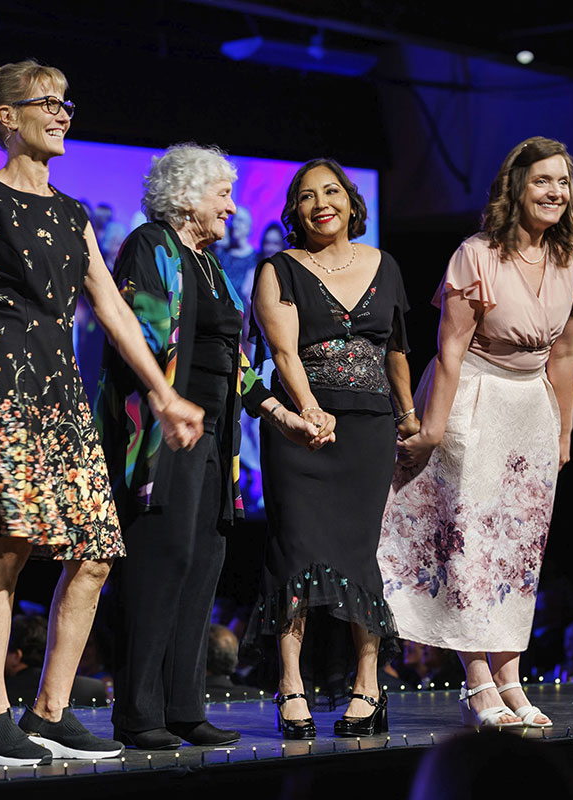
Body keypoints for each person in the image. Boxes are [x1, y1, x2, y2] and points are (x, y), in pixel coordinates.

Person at [0, 60, 203, 767]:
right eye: (46, 103)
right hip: (1, 395)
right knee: (8, 548)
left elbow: (113, 311)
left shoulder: (71, 213)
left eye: (66, 103)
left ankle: (49, 711)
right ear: (6, 117)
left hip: (60, 401)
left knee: (96, 554)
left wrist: (164, 393)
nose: (62, 114)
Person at [97, 144, 319, 750]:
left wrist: (278, 413)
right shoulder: (151, 247)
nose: (231, 206)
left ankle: (183, 707)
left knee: (201, 565)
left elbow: (238, 362)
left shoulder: (213, 265)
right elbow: (137, 337)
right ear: (187, 196)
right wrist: (170, 404)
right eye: (221, 194)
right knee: (159, 563)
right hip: (165, 436)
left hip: (215, 440)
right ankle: (139, 713)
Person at [378, 136, 573, 729]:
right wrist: (433, 428)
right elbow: (449, 351)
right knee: (470, 542)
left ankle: (510, 677)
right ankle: (477, 683)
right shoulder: (475, 254)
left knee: (519, 551)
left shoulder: (568, 257)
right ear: (516, 188)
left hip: (532, 408)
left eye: (563, 182)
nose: (555, 192)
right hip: (473, 398)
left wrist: (565, 431)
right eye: (542, 181)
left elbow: (569, 353)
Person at [247, 157, 416, 739]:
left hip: (368, 429)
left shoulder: (384, 265)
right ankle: (291, 684)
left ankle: (368, 685)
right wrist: (308, 409)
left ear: (350, 201)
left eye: (332, 191)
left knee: (358, 555)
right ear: (294, 210)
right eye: (307, 196)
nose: (321, 203)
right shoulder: (280, 269)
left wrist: (410, 417)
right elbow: (285, 352)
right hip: (302, 430)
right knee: (294, 551)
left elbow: (395, 350)